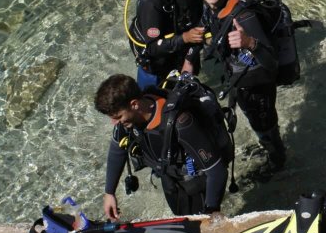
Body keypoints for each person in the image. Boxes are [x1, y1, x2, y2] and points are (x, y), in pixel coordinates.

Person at [184, 0, 286, 171]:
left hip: (258, 87)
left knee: (265, 126)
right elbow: (202, 30)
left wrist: (250, 42)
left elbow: (272, 63)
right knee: (254, 121)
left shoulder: (245, 17)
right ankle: (266, 146)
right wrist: (189, 60)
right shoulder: (209, 7)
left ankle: (278, 163)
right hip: (239, 78)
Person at [94, 74, 230, 220]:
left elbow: (217, 171)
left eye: (118, 117)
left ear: (134, 104)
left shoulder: (181, 122)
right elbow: (117, 150)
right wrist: (109, 193)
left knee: (198, 222)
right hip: (169, 177)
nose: (114, 123)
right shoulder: (127, 123)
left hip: (196, 180)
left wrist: (211, 213)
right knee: (182, 219)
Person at [130, 0, 205, 89]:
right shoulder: (153, 0)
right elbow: (151, 48)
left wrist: (189, 57)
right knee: (153, 97)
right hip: (156, 58)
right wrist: (185, 38)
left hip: (183, 44)